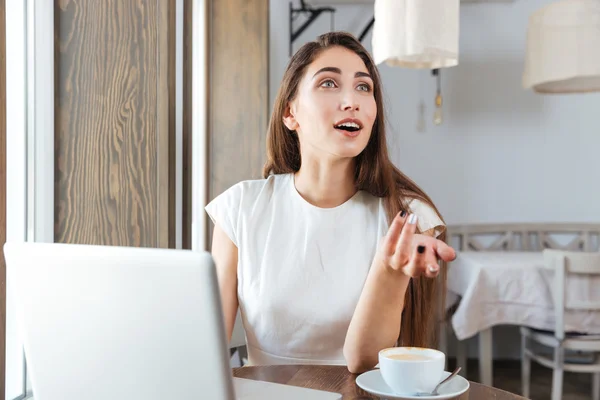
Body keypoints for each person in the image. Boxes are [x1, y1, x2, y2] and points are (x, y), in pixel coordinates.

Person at [205, 31, 456, 374]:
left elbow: (365, 363)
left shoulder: (407, 218)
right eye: (328, 83)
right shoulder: (241, 209)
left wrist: (389, 271)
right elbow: (208, 346)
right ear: (290, 112)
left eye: (363, 87)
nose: (351, 100)